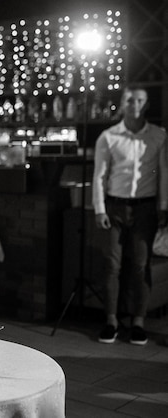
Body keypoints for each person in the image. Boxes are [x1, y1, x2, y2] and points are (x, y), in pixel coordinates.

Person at [92, 84, 168, 346]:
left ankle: (138, 322)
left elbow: (163, 173)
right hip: (114, 206)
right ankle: (111, 321)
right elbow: (99, 176)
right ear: (123, 103)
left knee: (140, 265)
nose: (134, 105)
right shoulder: (109, 136)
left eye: (139, 100)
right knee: (112, 264)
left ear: (145, 104)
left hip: (145, 207)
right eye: (129, 100)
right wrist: (99, 209)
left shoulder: (158, 136)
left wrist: (164, 207)